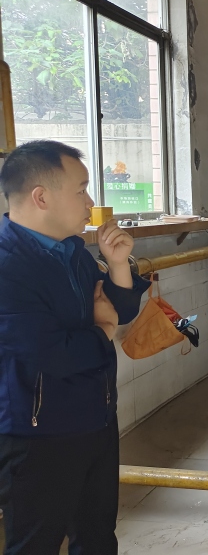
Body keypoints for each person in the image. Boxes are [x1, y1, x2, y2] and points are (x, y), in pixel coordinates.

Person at [0, 140, 149, 554]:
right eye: (81, 189)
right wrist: (103, 329)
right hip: (38, 434)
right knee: (36, 543)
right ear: (41, 197)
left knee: (97, 536)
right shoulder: (9, 267)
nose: (90, 202)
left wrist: (117, 263)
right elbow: (55, 354)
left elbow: (121, 311)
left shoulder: (73, 252)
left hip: (97, 418)